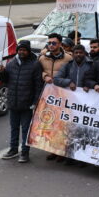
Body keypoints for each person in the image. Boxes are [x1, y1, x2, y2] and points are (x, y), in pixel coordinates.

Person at [0, 40, 43, 163]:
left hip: (27, 104)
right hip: (13, 102)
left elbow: (38, 85)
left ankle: (25, 152)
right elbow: (5, 80)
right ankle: (13, 150)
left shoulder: (35, 64)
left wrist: (35, 102)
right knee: (14, 128)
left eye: (24, 50)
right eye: (20, 50)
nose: (21, 52)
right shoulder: (11, 63)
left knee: (26, 129)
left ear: (28, 51)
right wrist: (1, 72)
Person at [38, 33, 73, 161]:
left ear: (59, 44)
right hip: (48, 95)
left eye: (54, 43)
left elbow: (72, 74)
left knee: (62, 123)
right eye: (49, 43)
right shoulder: (42, 58)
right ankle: (52, 149)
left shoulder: (68, 58)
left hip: (63, 95)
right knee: (50, 121)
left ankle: (62, 151)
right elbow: (37, 71)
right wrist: (44, 76)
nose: (51, 45)